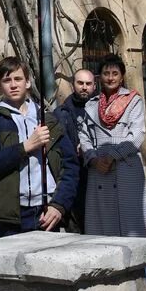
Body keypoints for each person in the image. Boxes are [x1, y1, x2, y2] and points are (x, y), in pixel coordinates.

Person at [79, 53, 146, 291]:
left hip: (125, 168)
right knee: (102, 228)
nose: (110, 77)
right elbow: (84, 137)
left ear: (122, 76)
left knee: (134, 228)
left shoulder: (134, 100)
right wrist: (94, 158)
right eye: (106, 73)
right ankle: (108, 287)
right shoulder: (91, 105)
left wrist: (112, 155)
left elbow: (137, 135)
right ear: (100, 76)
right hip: (99, 172)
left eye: (115, 73)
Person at [0, 56, 78, 237]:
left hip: (46, 211)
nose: (13, 85)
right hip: (12, 214)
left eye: (18, 79)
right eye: (6, 80)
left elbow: (70, 165)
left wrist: (59, 205)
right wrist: (25, 146)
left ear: (27, 82)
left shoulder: (47, 119)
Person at [53, 68, 95, 232]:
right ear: (73, 84)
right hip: (75, 182)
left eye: (88, 84)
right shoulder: (62, 114)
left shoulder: (103, 110)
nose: (84, 87)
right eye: (80, 83)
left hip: (100, 179)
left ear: (94, 85)